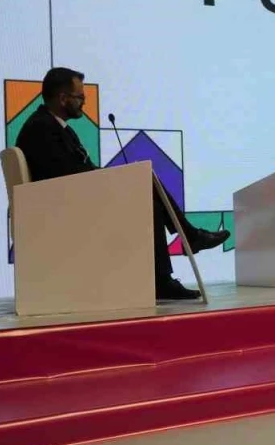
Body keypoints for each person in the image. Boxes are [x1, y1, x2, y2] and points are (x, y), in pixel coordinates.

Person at [13, 67, 229, 300]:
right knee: (145, 184)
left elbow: (79, 171)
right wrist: (115, 179)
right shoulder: (41, 128)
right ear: (63, 98)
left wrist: (116, 177)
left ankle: (166, 274)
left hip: (73, 200)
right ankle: (185, 247)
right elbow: (66, 175)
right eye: (80, 97)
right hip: (63, 211)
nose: (84, 102)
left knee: (148, 191)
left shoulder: (55, 126)